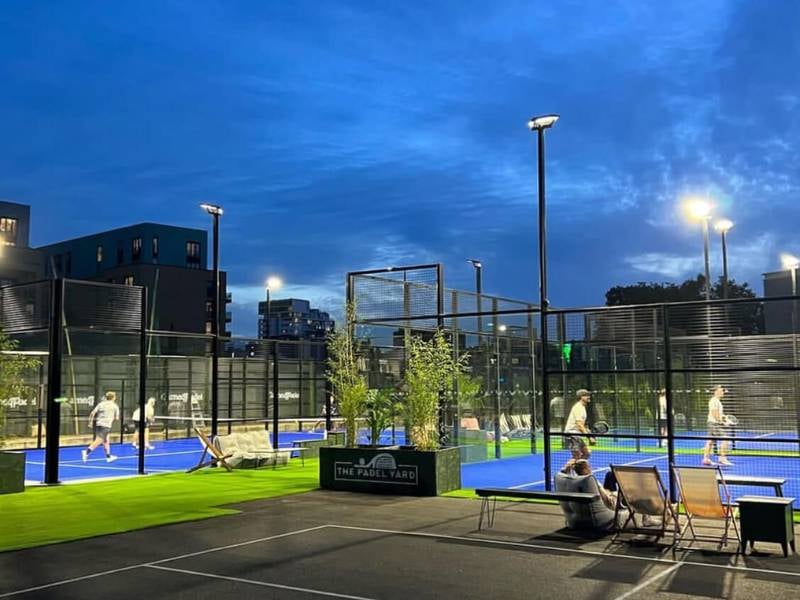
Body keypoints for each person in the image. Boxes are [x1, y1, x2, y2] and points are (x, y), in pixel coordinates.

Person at [81, 391, 120, 463]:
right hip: (106, 426)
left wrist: (90, 422)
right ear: (113, 397)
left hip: (99, 424)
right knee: (99, 440)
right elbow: (117, 418)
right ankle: (86, 452)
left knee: (106, 441)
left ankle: (108, 457)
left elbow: (93, 413)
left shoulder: (101, 404)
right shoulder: (115, 406)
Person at [703, 385, 732, 466]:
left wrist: (725, 418)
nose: (723, 392)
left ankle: (706, 459)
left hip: (711, 423)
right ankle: (722, 458)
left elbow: (719, 414)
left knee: (710, 441)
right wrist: (722, 422)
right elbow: (714, 413)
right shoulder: (714, 401)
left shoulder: (717, 401)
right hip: (714, 423)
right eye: (721, 390)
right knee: (725, 438)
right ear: (716, 391)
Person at [564, 389, 595, 460]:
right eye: (586, 395)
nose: (589, 397)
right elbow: (579, 424)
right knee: (576, 456)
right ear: (581, 397)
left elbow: (580, 424)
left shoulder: (582, 407)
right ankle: (565, 471)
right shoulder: (578, 407)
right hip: (572, 434)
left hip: (576, 434)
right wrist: (589, 437)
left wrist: (586, 431)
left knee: (587, 453)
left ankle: (578, 469)